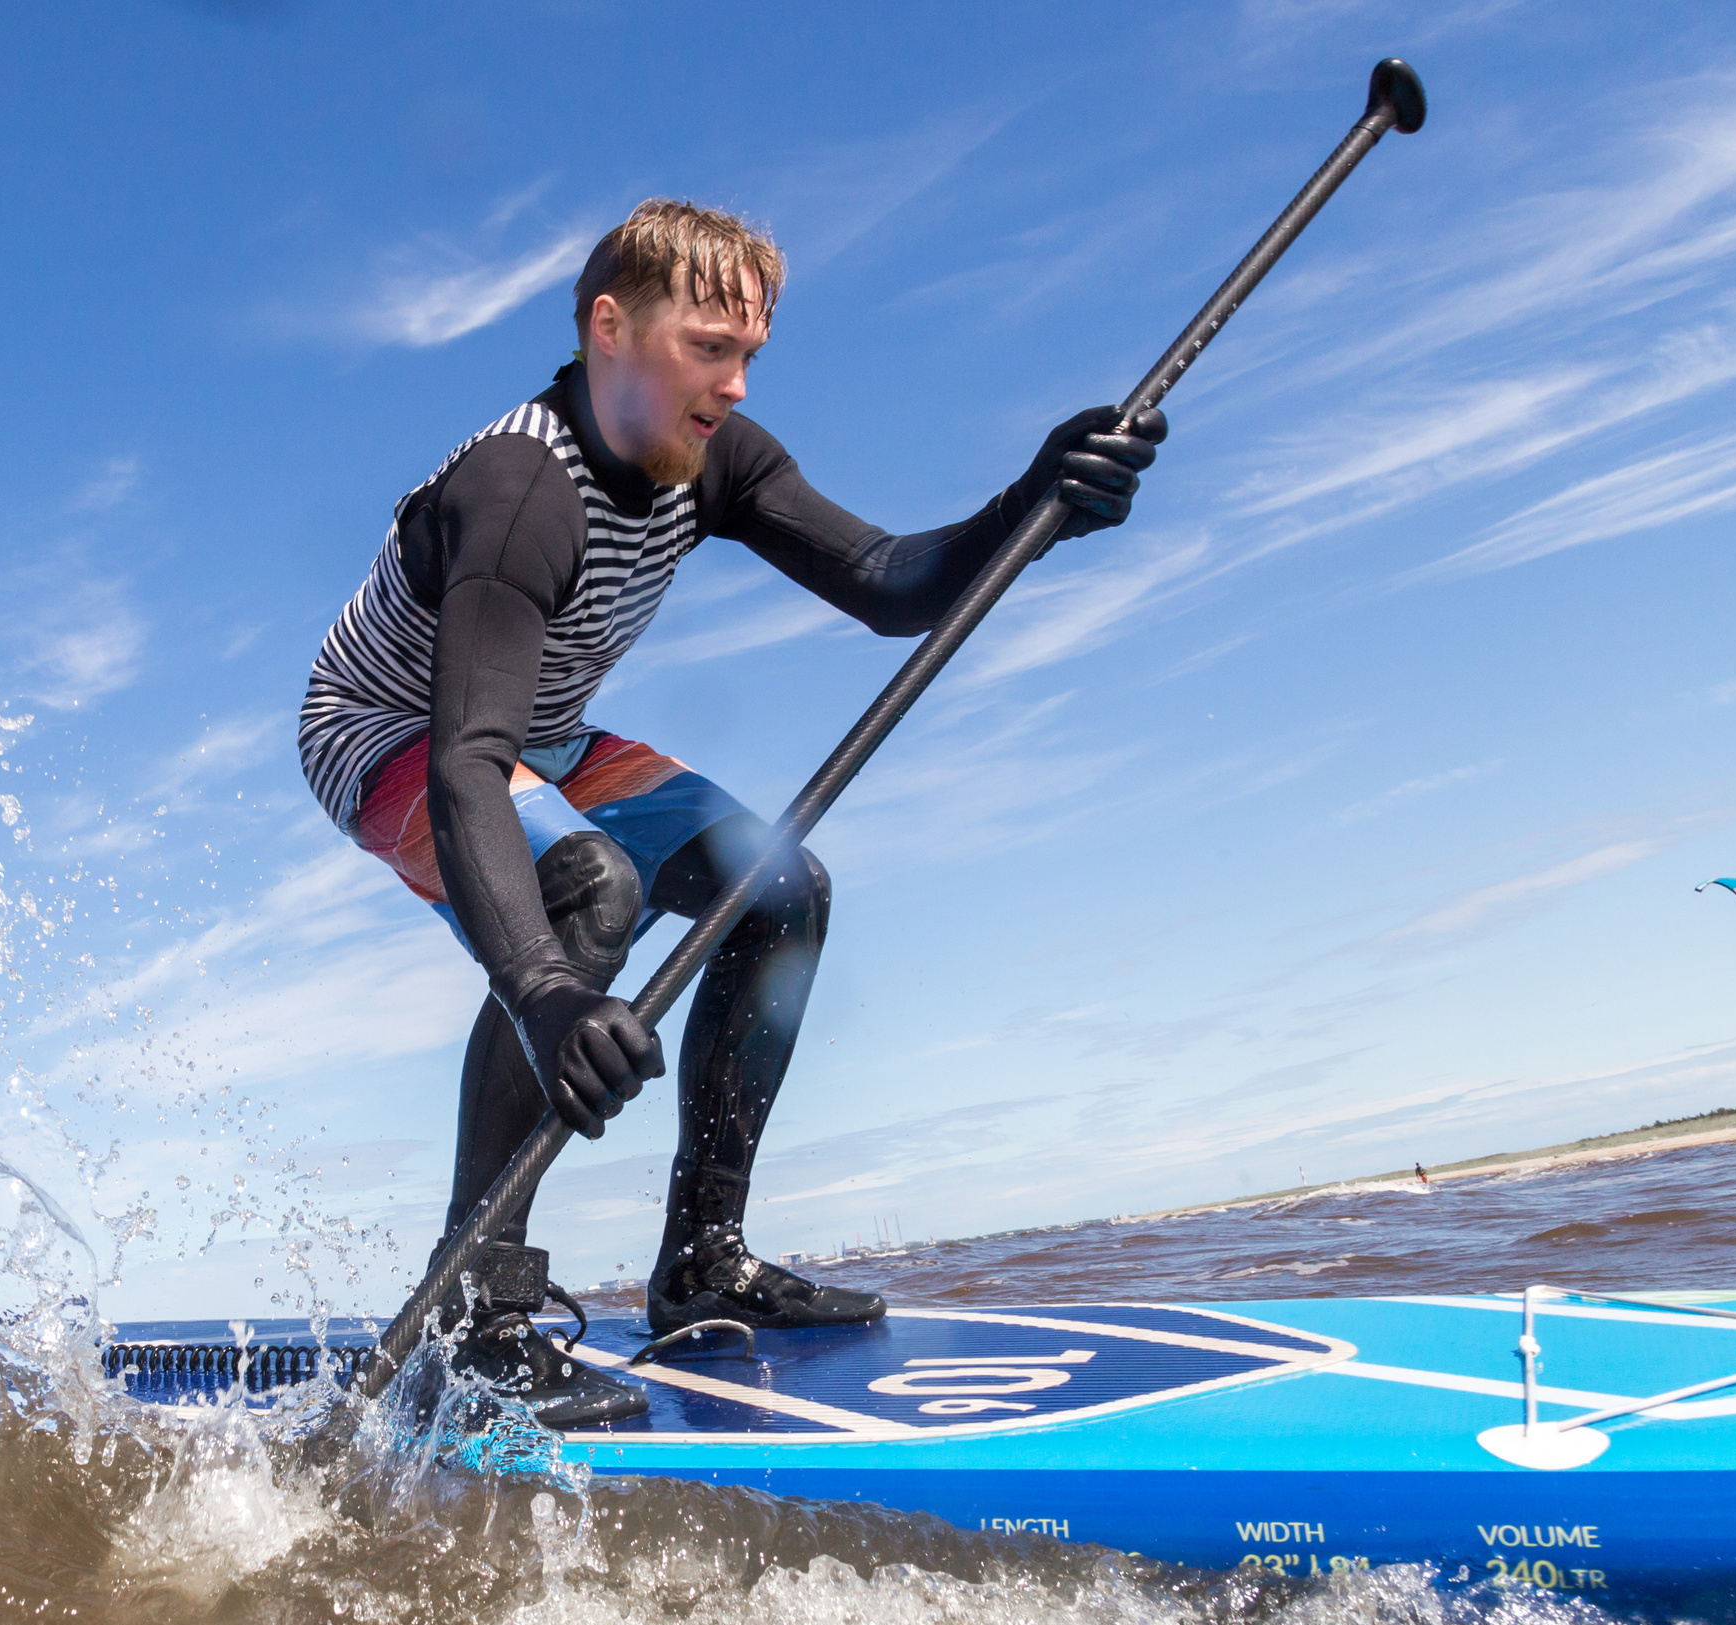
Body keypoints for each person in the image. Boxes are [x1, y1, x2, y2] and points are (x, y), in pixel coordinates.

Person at [297, 200, 1165, 1426]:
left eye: (750, 353)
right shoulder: (515, 489)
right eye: (710, 347)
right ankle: (475, 1311)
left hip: (545, 734)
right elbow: (466, 762)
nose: (736, 383)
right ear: (609, 328)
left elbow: (884, 582)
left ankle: (704, 1261)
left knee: (783, 888)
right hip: (393, 737)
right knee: (587, 890)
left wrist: (1037, 502)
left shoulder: (710, 456)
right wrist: (545, 994)